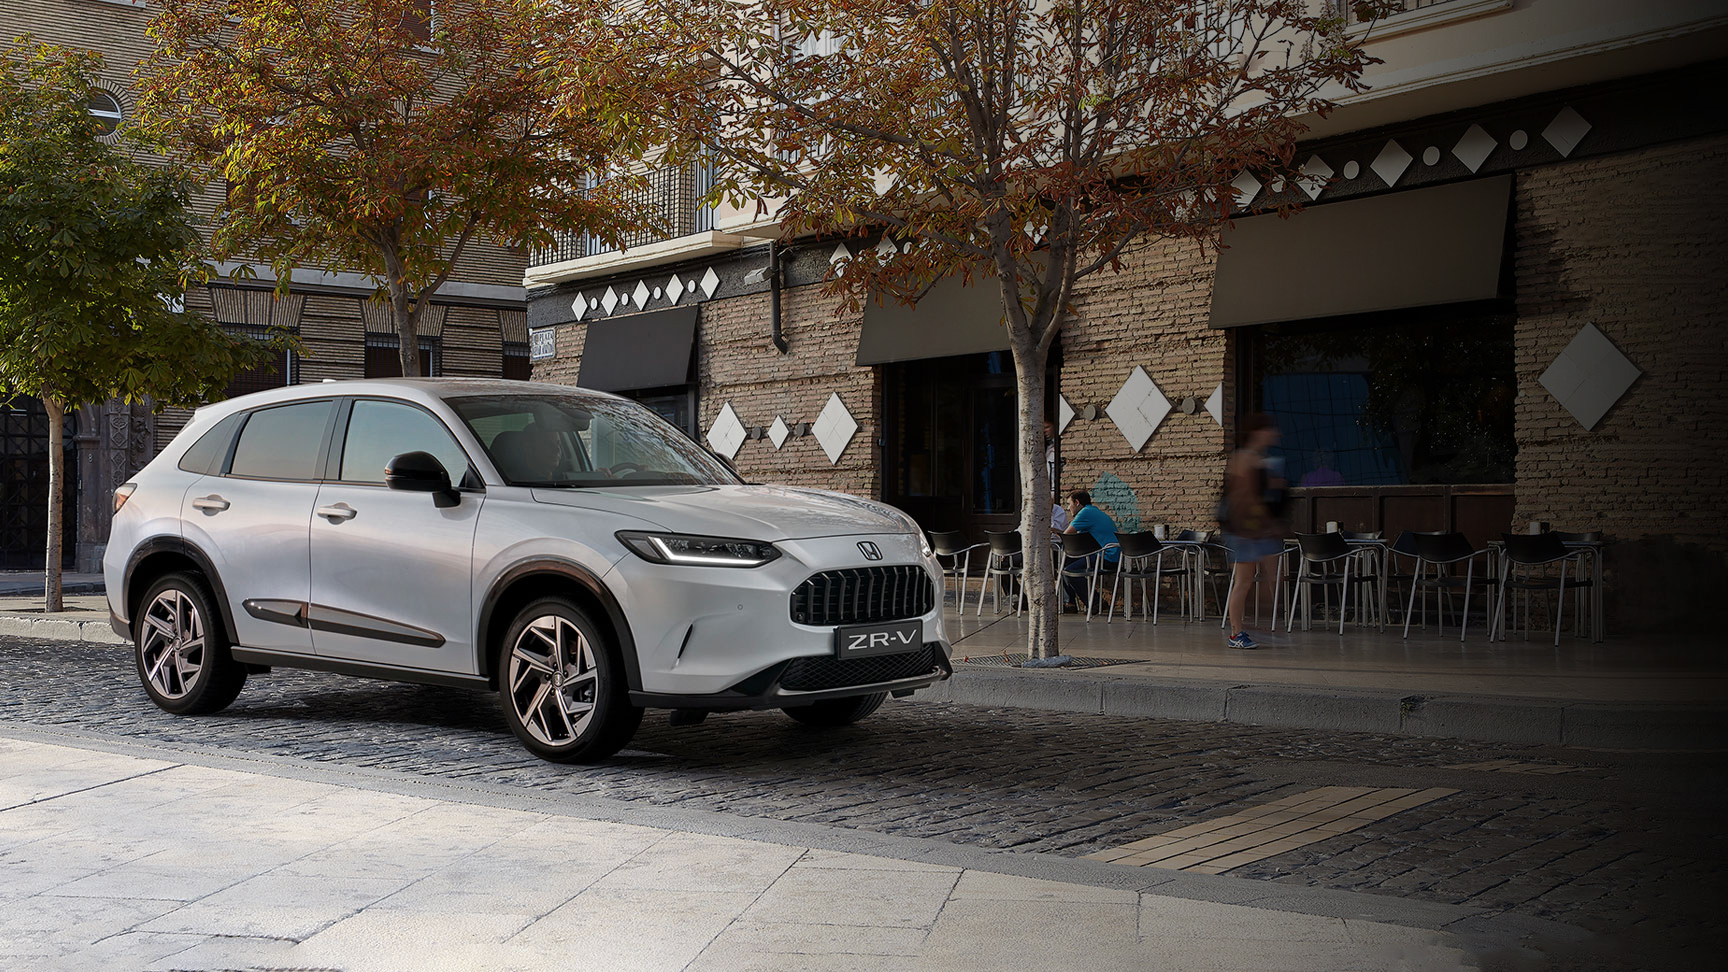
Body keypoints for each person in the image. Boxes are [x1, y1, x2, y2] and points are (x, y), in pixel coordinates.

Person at [1221, 414, 1287, 649]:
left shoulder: (1258, 459)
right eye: (1270, 430)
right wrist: (1262, 524)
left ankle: (1259, 625)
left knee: (1263, 577)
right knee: (1243, 582)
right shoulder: (1245, 458)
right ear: (1258, 432)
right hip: (1245, 531)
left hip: (1254, 529)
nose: (1274, 434)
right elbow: (1245, 498)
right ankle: (1236, 633)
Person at [1061, 490, 1119, 613]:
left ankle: (1096, 602)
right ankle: (1070, 603)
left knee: (1069, 571)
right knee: (1066, 562)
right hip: (1108, 553)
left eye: (1069, 503)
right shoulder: (1093, 511)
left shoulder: (1085, 513)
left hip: (1107, 556)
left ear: (1077, 502)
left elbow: (1066, 536)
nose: (1068, 507)